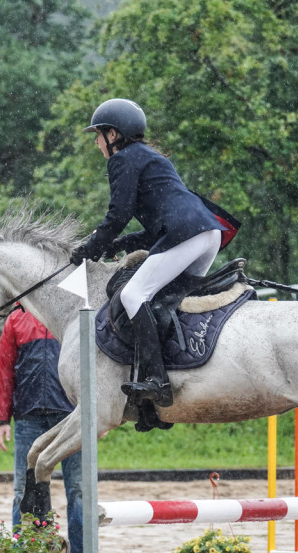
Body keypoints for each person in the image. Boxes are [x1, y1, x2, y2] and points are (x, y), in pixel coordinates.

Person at [70, 98, 224, 408]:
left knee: (132, 295)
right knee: (163, 301)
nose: (97, 142)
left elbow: (118, 213)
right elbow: (157, 223)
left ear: (113, 135)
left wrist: (92, 248)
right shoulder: (150, 157)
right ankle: (173, 371)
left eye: (98, 135)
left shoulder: (123, 159)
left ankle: (158, 381)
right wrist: (119, 243)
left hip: (188, 235)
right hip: (208, 233)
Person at [0, 306, 83, 553]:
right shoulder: (16, 319)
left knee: (78, 491)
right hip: (28, 419)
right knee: (23, 491)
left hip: (71, 418)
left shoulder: (72, 315)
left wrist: (95, 416)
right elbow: (5, 371)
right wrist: (1, 420)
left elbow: (92, 366)